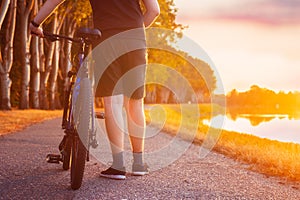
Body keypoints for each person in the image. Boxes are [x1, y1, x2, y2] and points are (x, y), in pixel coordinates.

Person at [30, 0, 160, 180]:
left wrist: (35, 23)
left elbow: (54, 1)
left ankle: (118, 165)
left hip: (106, 38)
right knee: (135, 102)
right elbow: (154, 11)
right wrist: (135, 30)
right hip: (135, 39)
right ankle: (139, 163)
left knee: (112, 101)